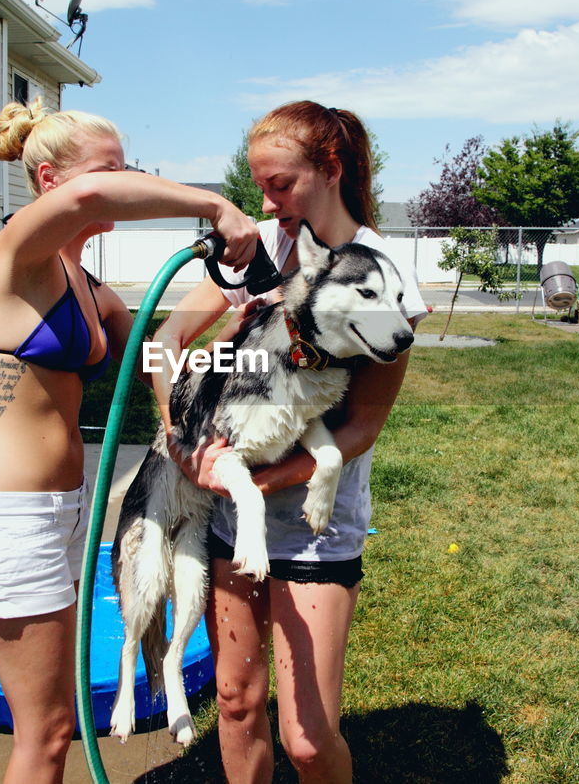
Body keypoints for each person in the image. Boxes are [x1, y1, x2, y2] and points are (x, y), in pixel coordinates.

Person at [0, 96, 257, 784]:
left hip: (55, 515)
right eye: (113, 166)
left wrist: (183, 417)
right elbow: (94, 193)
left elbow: (155, 349)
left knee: (51, 726)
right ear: (52, 181)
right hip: (4, 516)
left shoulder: (87, 285)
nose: (125, 177)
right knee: (49, 731)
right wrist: (214, 206)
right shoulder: (18, 250)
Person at [149, 100, 428, 783]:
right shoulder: (260, 257)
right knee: (239, 704)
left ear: (329, 169)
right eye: (260, 186)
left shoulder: (382, 277)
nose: (267, 203)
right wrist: (180, 437)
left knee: (307, 739)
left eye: (281, 185)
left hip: (313, 531)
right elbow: (163, 342)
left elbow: (361, 426)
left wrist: (249, 481)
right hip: (224, 520)